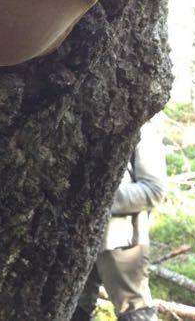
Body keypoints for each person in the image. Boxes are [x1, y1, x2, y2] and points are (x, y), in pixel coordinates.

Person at [73, 118, 167, 321]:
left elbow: (154, 191)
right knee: (74, 308)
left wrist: (96, 199)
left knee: (135, 314)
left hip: (121, 242)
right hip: (79, 237)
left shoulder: (144, 129)